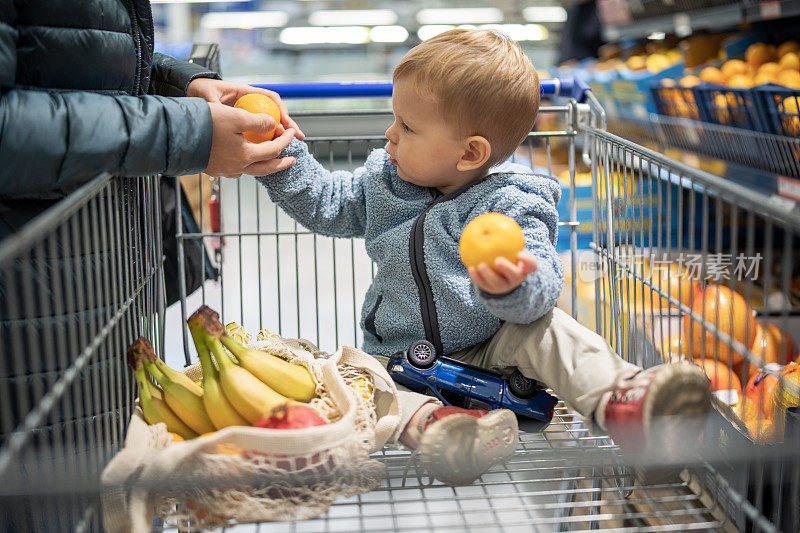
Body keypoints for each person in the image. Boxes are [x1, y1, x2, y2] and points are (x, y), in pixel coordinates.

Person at [257, 29, 711, 486]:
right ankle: (448, 433)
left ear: (470, 152)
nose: (390, 135)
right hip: (399, 359)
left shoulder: (514, 202)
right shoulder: (383, 183)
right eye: (396, 120)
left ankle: (622, 403)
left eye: (408, 127)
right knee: (363, 382)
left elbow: (543, 279)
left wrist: (513, 287)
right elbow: (326, 202)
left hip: (492, 350)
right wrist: (282, 153)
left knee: (549, 329)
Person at [0, 1, 301, 527]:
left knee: (107, 486)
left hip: (95, 280)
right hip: (27, 298)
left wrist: (179, 81)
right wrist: (190, 133)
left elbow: (68, 52)